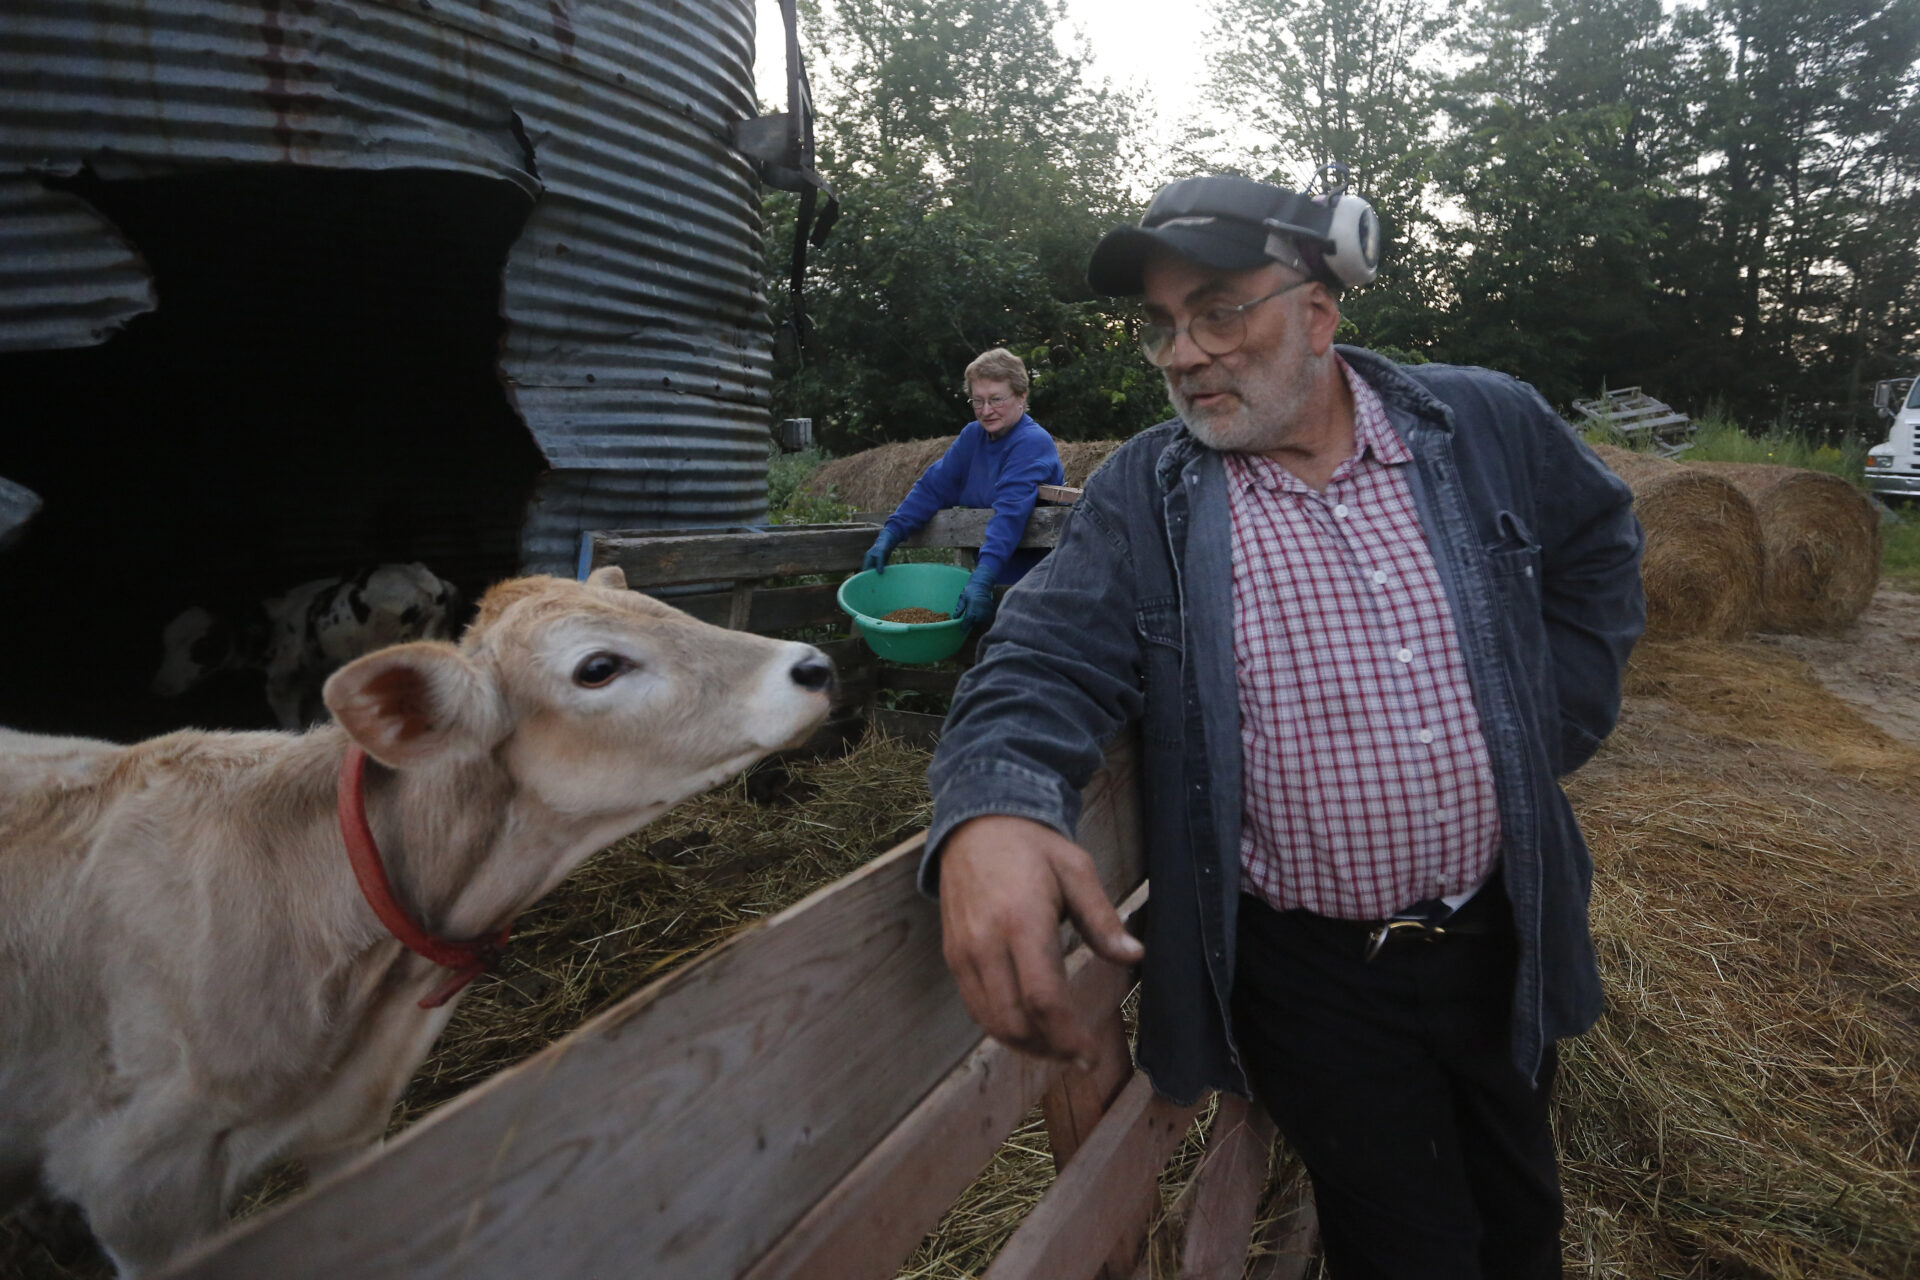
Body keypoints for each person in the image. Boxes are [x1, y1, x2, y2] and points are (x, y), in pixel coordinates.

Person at [923, 175, 1644, 1278]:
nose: (1182, 353)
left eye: (1219, 309)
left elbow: (1600, 544)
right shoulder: (1146, 494)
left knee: (1522, 1210)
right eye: (1163, 326)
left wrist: (1546, 726)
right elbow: (1039, 659)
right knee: (1413, 1244)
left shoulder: (1483, 423)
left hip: (1506, 921)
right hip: (1309, 971)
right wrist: (991, 807)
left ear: (1319, 308)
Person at [861, 347, 1065, 631]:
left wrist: (982, 579)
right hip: (987, 579)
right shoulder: (973, 437)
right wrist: (891, 533)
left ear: (1021, 396)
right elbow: (933, 487)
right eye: (977, 401)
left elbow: (1009, 513)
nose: (986, 410)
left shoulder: (1031, 442)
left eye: (996, 399)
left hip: (1033, 589)